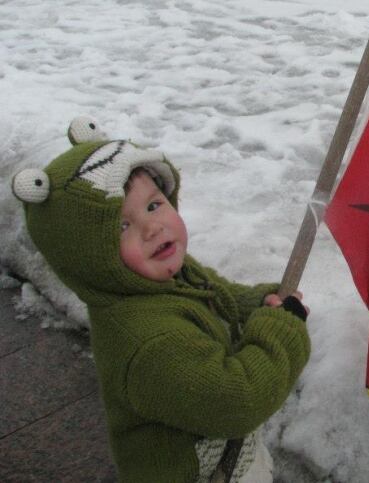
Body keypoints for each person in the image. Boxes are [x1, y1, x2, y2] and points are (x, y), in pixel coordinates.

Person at [11, 117, 310, 482]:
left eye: (154, 206)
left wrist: (258, 300)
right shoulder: (148, 343)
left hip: (229, 458)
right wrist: (280, 331)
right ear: (90, 257)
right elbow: (237, 401)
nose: (152, 227)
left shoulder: (164, 272)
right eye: (123, 226)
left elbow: (218, 295)